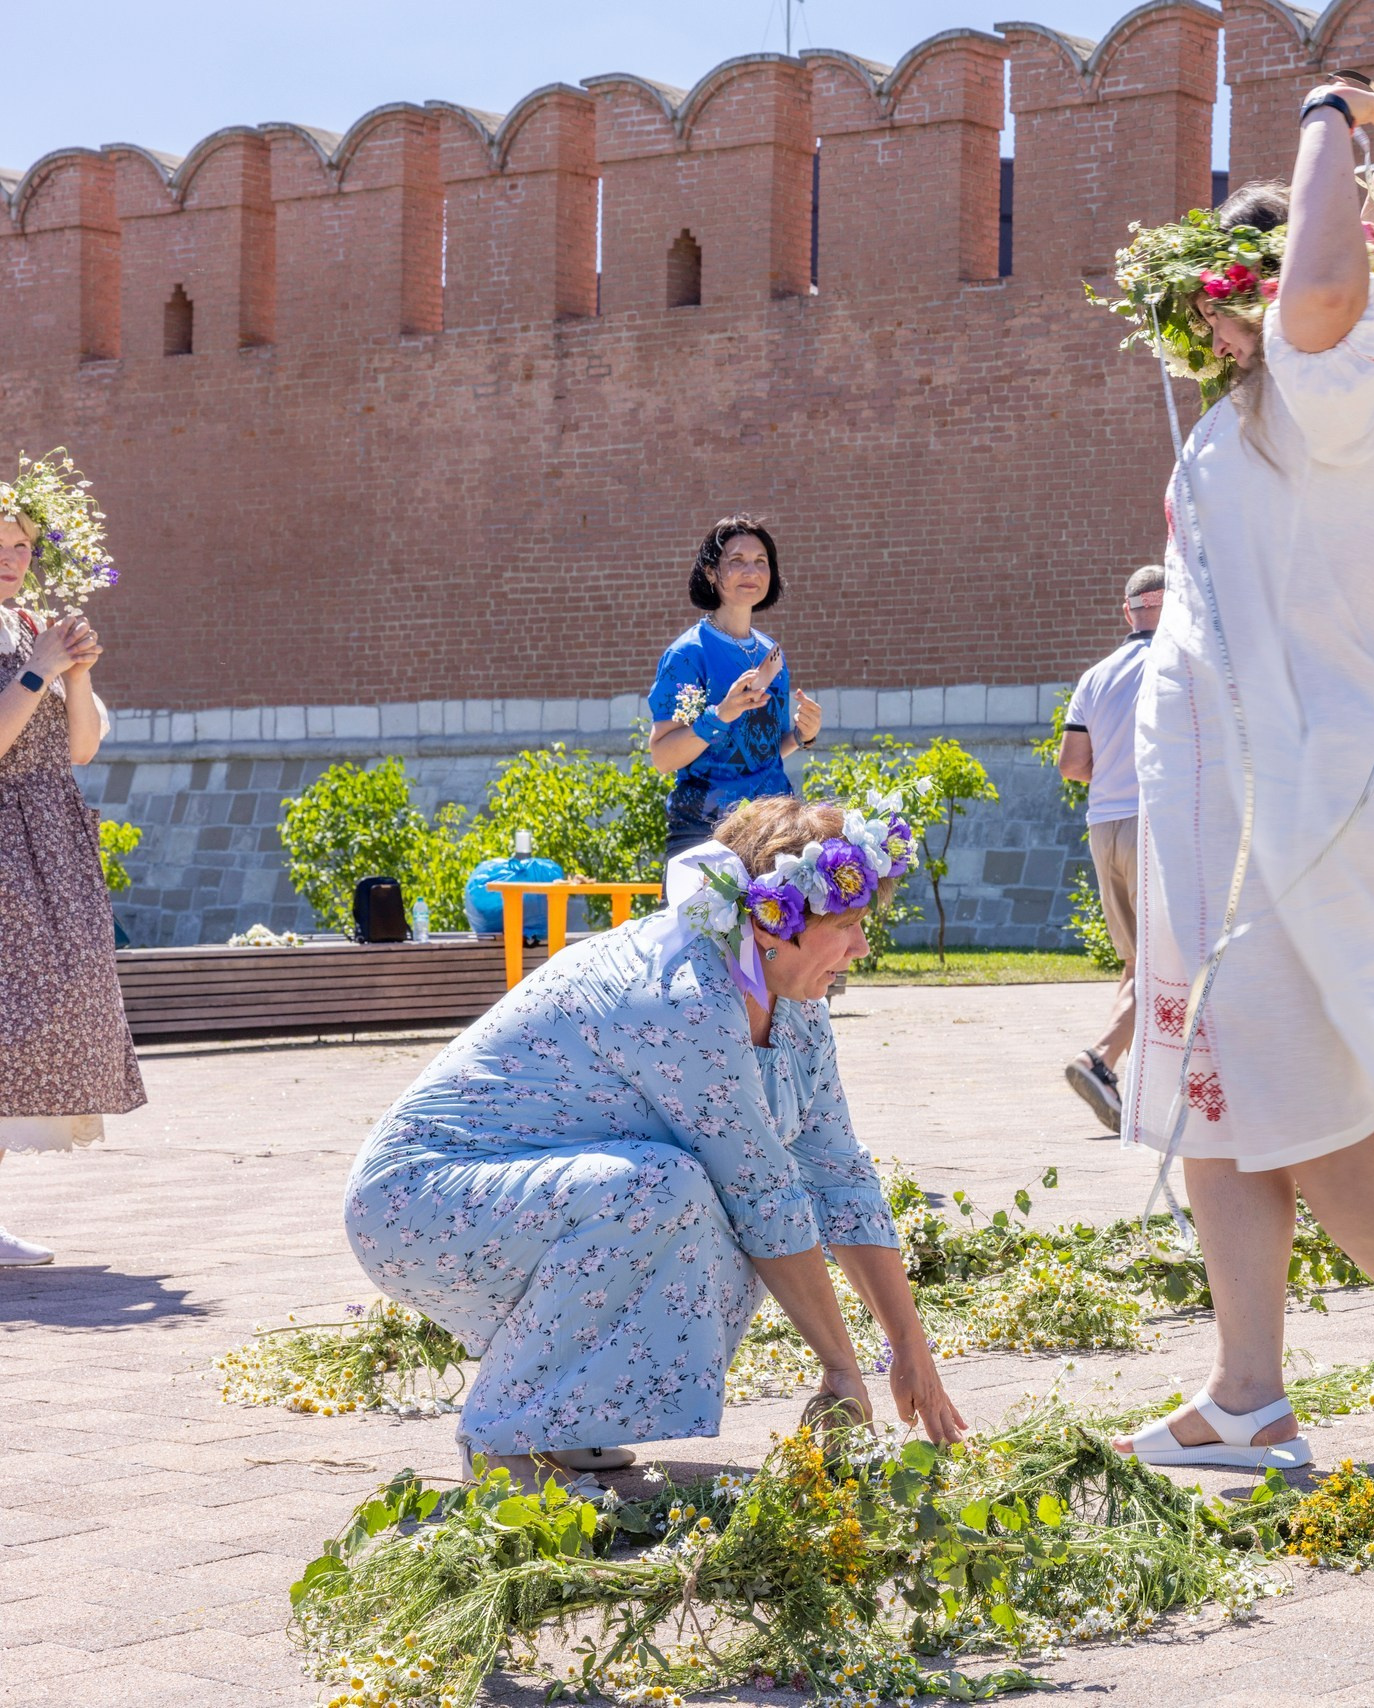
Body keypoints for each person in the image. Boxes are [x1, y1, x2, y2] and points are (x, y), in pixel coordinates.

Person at [1101, 79, 1374, 1469]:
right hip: (1218, 794)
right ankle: (1251, 1395)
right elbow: (1341, 307)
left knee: (1310, 1108)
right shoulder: (1301, 399)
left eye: (1231, 293)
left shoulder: (1329, 385)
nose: (1216, 325)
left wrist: (1324, 121)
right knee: (1222, 1108)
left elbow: (1322, 309)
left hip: (1266, 799)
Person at [342, 795, 966, 1480]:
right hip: (421, 1202)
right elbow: (763, 1195)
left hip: (539, 1197)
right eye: (847, 924)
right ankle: (505, 1442)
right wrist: (845, 1371)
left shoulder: (795, 1002)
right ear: (772, 923)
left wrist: (909, 1347)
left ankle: (572, 1418)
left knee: (720, 1204)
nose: (863, 946)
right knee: (672, 1191)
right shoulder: (684, 995)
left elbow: (838, 1173)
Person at [0, 503, 144, 1267]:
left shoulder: (32, 628)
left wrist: (78, 672)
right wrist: (41, 667)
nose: (13, 557)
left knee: (57, 1009)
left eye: (22, 545)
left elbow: (81, 748)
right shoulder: (30, 648)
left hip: (48, 845)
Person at [1057, 564, 1165, 1130]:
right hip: (1160, 822)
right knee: (1170, 958)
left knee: (1138, 960)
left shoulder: (1094, 676)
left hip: (1106, 825)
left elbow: (1072, 765)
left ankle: (1131, 1081)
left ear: (1129, 611)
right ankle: (1100, 1059)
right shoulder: (1181, 664)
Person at [648, 515, 824, 855]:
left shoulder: (771, 653)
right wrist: (721, 713)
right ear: (711, 572)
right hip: (707, 834)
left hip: (774, 832)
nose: (752, 571)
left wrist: (802, 735)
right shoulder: (688, 654)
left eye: (761, 562)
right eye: (737, 561)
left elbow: (760, 753)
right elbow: (663, 758)